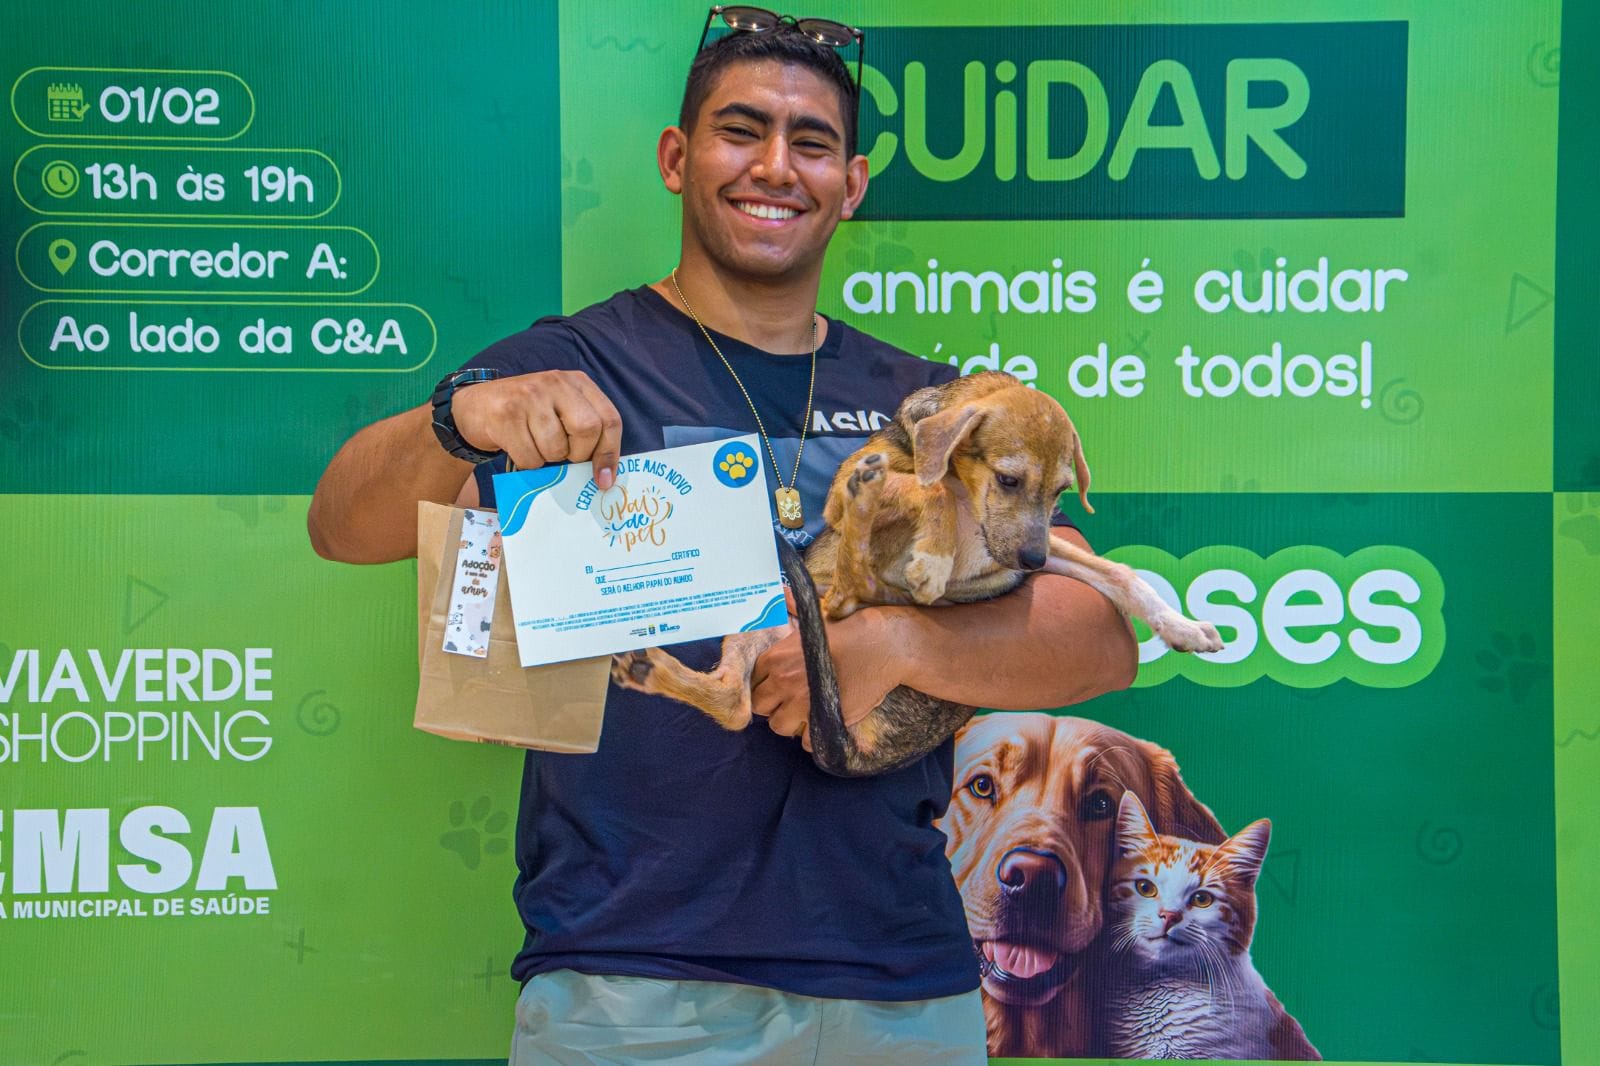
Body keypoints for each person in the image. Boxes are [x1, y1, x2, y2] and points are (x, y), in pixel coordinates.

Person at [308, 13, 1136, 1064]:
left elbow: (1102, 633)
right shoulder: (572, 363)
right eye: (740, 130)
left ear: (853, 182)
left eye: (812, 141)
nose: (775, 167)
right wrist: (456, 418)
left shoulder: (925, 406)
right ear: (675, 156)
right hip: (632, 985)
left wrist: (895, 648)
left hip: (898, 989)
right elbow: (339, 522)